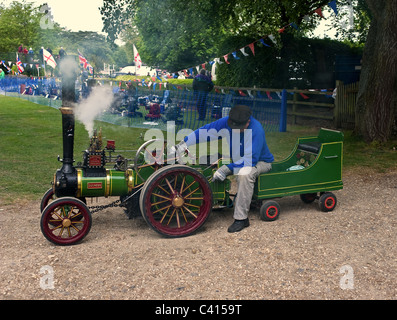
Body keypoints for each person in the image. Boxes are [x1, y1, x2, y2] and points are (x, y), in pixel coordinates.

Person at [173, 105, 274, 233]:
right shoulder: (227, 121)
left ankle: (241, 219)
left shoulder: (257, 129)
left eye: (239, 128)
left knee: (244, 174)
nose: (236, 130)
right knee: (211, 161)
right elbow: (206, 131)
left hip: (260, 162)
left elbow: (250, 160)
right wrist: (184, 143)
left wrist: (227, 169)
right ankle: (220, 199)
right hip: (239, 160)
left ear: (248, 122)